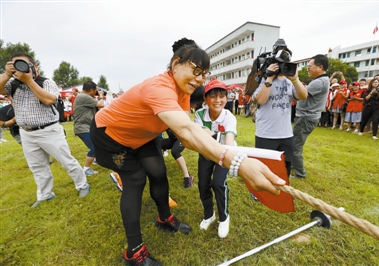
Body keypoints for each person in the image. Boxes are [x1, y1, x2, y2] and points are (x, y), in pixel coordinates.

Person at [89, 38, 285, 265]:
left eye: (205, 73)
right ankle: (134, 252)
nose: (200, 78)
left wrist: (223, 149)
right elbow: (186, 131)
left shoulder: (181, 92)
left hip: (143, 137)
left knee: (159, 173)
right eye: (196, 70)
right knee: (135, 179)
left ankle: (165, 218)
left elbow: (188, 131)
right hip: (110, 136)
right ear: (175, 63)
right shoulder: (159, 87)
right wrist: (236, 162)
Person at [0, 53, 90, 208]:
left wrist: (28, 80)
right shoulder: (12, 83)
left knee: (66, 160)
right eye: (15, 65)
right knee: (38, 166)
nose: (19, 68)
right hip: (26, 132)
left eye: (23, 64)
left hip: (49, 130)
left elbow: (49, 100)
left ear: (34, 67)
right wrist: (7, 74)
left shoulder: (46, 82)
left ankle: (82, 185)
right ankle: (45, 195)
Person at [252, 39, 308, 177]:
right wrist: (269, 78)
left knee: (285, 167)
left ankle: (281, 191)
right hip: (266, 133)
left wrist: (295, 79)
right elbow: (261, 100)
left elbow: (303, 95)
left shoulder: (290, 82)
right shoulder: (264, 79)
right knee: (264, 166)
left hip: (286, 134)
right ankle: (258, 192)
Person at [194, 78, 237, 238]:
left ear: (226, 98)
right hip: (205, 154)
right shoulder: (199, 114)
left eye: (222, 96)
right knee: (203, 184)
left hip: (223, 154)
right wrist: (217, 136)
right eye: (213, 96)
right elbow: (199, 136)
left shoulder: (229, 117)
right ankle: (209, 214)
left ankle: (224, 218)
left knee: (218, 183)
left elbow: (229, 141)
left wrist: (217, 139)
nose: (218, 100)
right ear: (205, 99)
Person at [290, 54, 330, 179]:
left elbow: (297, 95)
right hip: (308, 117)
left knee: (295, 146)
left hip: (306, 118)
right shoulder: (322, 80)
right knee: (295, 142)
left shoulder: (319, 82)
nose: (308, 69)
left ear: (320, 67)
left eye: (310, 67)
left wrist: (292, 81)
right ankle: (293, 165)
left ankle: (300, 173)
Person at [73, 81, 105, 176]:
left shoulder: (84, 97)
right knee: (94, 148)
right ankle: (86, 169)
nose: (96, 92)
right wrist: (101, 96)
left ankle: (96, 160)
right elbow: (101, 104)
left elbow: (99, 109)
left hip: (87, 127)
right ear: (91, 90)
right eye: (95, 90)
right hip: (83, 128)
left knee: (99, 143)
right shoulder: (83, 97)